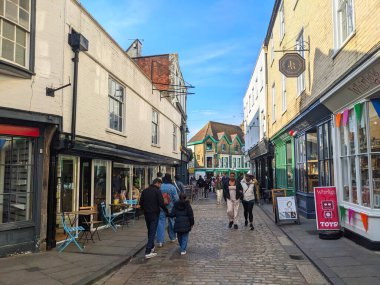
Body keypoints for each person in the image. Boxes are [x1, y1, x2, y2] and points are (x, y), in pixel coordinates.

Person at [139, 178, 168, 259]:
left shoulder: (145, 191)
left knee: (150, 230)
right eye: (160, 185)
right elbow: (161, 203)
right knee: (152, 232)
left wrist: (144, 210)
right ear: (157, 183)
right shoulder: (157, 191)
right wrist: (167, 211)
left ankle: (151, 247)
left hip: (146, 214)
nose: (160, 186)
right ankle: (148, 251)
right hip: (154, 214)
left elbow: (141, 202)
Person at [156, 173, 179, 247]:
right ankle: (172, 237)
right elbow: (176, 199)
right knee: (171, 222)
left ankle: (160, 241)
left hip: (161, 208)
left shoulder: (159, 187)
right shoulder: (172, 187)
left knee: (160, 223)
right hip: (170, 208)